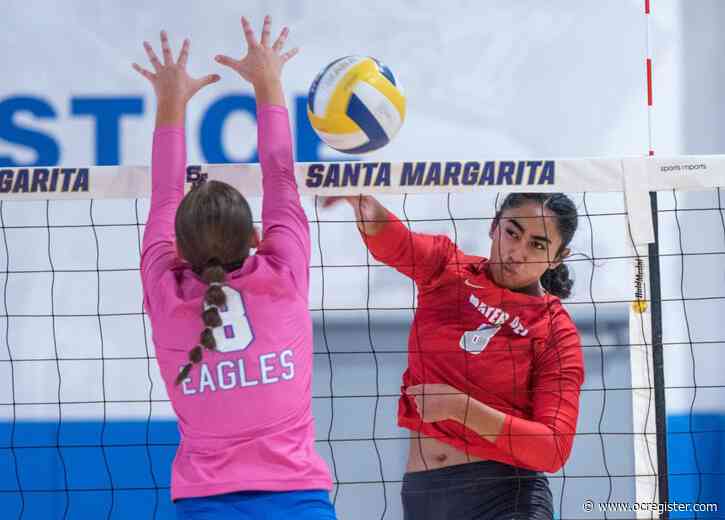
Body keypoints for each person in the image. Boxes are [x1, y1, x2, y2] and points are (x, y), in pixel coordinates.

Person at [134, 16, 336, 519]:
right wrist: (268, 80)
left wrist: (169, 102)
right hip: (297, 500)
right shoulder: (283, 276)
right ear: (256, 238)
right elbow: (281, 175)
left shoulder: (165, 290)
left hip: (205, 504)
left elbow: (163, 196)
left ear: (178, 248)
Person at [325, 192, 585, 519]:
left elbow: (553, 449)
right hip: (424, 496)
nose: (517, 252)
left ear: (558, 257)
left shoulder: (555, 331)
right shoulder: (448, 269)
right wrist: (368, 209)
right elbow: (397, 242)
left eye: (537, 245)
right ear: (494, 227)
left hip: (505, 497)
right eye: (512, 233)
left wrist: (461, 409)